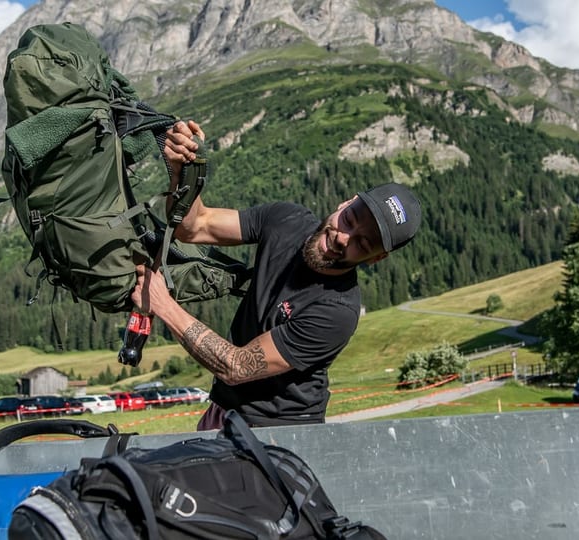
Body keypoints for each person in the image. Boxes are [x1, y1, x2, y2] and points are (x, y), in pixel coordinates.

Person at [133, 120, 422, 429]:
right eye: (350, 219)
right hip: (224, 412)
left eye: (362, 242)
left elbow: (237, 365)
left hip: (277, 432)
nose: (343, 237)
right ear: (345, 203)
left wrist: (163, 304)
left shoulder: (337, 311)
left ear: (376, 258)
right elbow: (194, 226)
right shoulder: (288, 219)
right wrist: (183, 170)